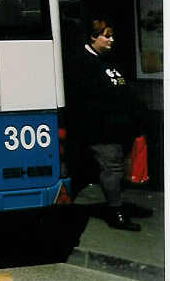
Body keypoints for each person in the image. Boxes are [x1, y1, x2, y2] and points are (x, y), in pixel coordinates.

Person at [68, 18, 147, 231]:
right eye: (107, 36)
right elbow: (86, 101)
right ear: (94, 37)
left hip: (117, 128)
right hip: (100, 130)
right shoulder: (82, 63)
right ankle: (116, 212)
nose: (112, 40)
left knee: (116, 169)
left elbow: (123, 89)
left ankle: (115, 207)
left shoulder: (108, 60)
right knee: (113, 169)